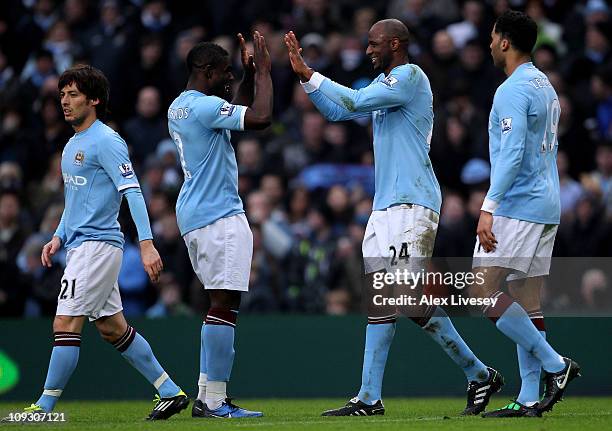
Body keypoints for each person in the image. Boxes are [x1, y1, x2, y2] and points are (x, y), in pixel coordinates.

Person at [284, 20, 503, 417]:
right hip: (385, 206)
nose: (368, 50)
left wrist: (309, 71)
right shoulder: (385, 87)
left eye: (373, 44)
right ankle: (382, 395)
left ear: (396, 44)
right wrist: (305, 80)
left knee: (397, 295)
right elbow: (338, 110)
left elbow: (350, 101)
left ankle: (464, 375)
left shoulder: (410, 77)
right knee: (392, 300)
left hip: (413, 202)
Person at [29, 65, 187, 420]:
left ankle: (44, 407)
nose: (64, 102)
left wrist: (146, 243)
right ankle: (169, 390)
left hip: (98, 246)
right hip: (80, 245)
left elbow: (132, 192)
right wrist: (58, 236)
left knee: (65, 323)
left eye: (73, 95)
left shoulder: (107, 141)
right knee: (112, 327)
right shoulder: (72, 145)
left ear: (94, 99)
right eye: (62, 95)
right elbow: (75, 201)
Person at [471, 11, 581, 418]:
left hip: (518, 205)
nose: (488, 44)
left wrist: (488, 207)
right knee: (527, 301)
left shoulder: (512, 89)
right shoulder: (545, 84)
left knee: (480, 290)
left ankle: (555, 365)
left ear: (504, 41)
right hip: (547, 203)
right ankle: (530, 398)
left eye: (492, 36)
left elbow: (513, 153)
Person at [167, 32, 272, 419]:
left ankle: (205, 395)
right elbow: (261, 117)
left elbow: (231, 115)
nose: (229, 79)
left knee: (219, 304)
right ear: (206, 71)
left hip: (195, 215)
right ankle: (215, 401)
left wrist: (244, 80)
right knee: (224, 305)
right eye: (225, 73)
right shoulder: (204, 107)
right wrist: (264, 74)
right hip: (219, 215)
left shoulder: (181, 106)